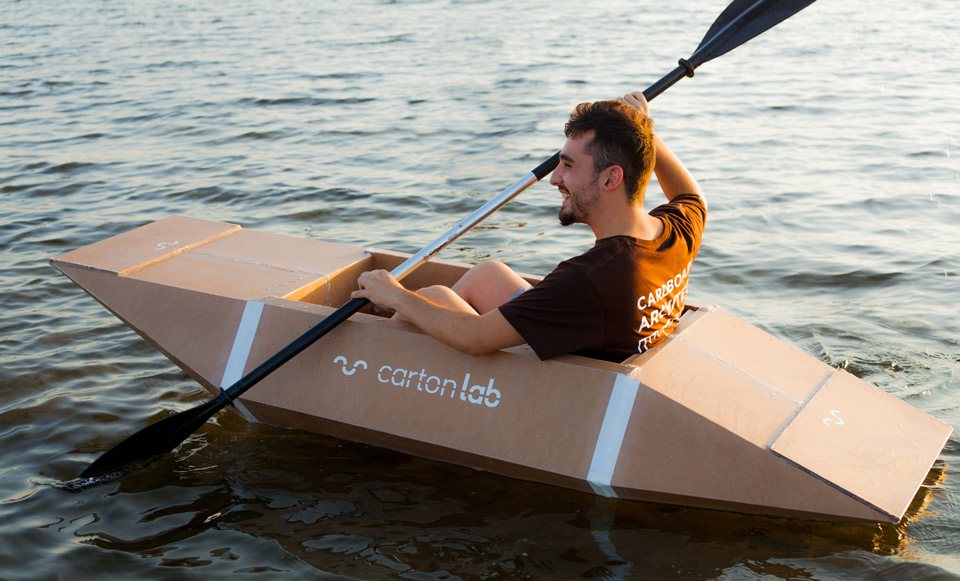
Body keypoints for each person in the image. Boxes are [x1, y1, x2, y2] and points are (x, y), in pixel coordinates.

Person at [352, 91, 706, 362]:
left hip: (564, 380)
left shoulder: (589, 279)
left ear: (611, 178)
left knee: (430, 300)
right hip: (596, 336)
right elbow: (692, 196)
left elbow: (475, 338)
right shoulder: (677, 230)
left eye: (568, 166)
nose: (554, 178)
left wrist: (395, 295)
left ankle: (362, 370)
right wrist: (642, 130)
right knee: (488, 274)